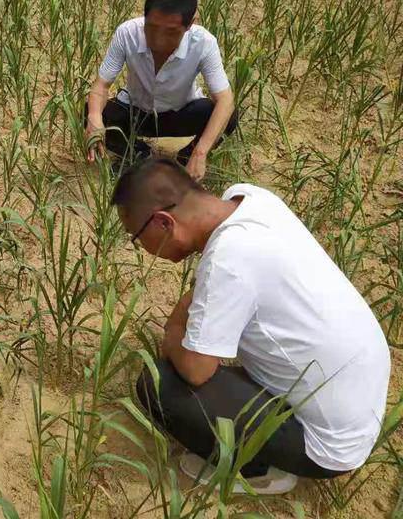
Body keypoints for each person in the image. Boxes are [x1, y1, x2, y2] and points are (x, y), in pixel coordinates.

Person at [112, 158, 391, 494]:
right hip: (359, 406)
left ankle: (258, 470)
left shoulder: (228, 260)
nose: (141, 248)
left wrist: (173, 334)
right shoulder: (250, 200)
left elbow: (196, 370)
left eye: (136, 237)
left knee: (158, 384)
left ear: (163, 222)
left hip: (325, 445)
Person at [85, 0, 238, 181]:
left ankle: (186, 159)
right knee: (89, 111)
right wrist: (95, 116)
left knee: (228, 115)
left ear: (190, 24)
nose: (158, 40)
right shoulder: (127, 33)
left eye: (171, 32)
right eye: (152, 27)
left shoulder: (204, 43)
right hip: (137, 114)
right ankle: (137, 155)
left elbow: (225, 99)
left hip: (180, 114)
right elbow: (101, 85)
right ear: (144, 16)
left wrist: (200, 152)